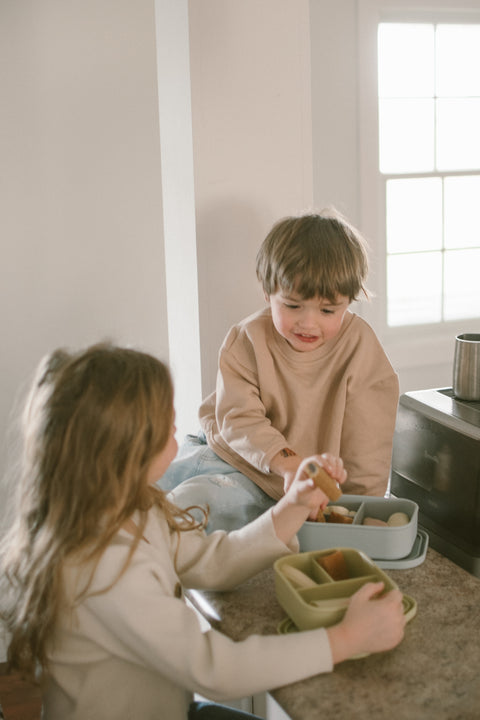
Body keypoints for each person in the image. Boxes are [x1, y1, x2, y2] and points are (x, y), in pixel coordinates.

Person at [0, 343, 405, 720]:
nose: (177, 423)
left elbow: (212, 561)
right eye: (165, 424)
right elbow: (216, 669)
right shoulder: (100, 566)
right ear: (123, 453)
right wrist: (346, 639)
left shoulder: (132, 509)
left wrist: (294, 505)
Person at [159, 209, 399, 531]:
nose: (308, 323)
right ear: (268, 292)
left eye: (328, 310)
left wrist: (359, 510)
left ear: (349, 301)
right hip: (232, 456)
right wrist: (290, 464)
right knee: (159, 494)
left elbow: (369, 448)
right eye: (292, 305)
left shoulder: (361, 349)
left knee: (206, 514)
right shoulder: (247, 339)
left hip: (291, 486)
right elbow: (239, 419)